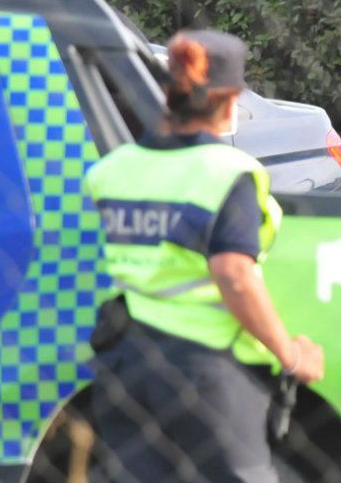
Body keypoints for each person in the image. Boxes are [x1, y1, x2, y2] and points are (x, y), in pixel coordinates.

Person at [85, 30, 324, 483]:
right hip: (205, 368)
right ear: (230, 98)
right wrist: (290, 354)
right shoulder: (226, 173)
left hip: (126, 358)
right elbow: (234, 274)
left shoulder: (112, 170)